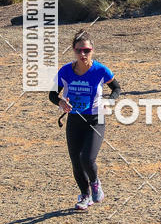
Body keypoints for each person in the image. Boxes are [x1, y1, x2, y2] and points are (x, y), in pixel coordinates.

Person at [48, 30, 121, 211]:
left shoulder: (100, 70)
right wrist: (60, 102)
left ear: (92, 50)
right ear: (73, 50)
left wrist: (109, 101)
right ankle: (85, 195)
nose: (83, 54)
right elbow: (51, 94)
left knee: (86, 158)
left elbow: (116, 88)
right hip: (74, 120)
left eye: (86, 50)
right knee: (76, 161)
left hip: (96, 119)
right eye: (79, 50)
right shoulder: (65, 71)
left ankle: (95, 183)